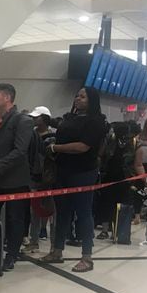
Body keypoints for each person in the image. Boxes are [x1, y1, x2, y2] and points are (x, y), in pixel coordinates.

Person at [41, 87, 108, 272]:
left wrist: (56, 148)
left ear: (92, 100)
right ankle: (57, 251)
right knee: (61, 212)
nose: (78, 98)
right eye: (77, 95)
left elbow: (83, 147)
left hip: (83, 172)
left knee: (84, 213)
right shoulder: (69, 118)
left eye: (83, 96)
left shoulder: (96, 122)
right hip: (62, 170)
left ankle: (87, 257)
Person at [0, 83, 33, 270]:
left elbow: (20, 151)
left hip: (14, 179)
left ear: (7, 98)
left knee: (14, 218)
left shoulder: (22, 121)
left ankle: (11, 254)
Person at [24, 106, 56, 251]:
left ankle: (55, 245)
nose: (34, 119)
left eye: (37, 117)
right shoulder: (30, 134)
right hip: (34, 178)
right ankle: (34, 241)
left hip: (50, 179)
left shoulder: (54, 137)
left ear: (44, 118)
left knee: (53, 213)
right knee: (34, 211)